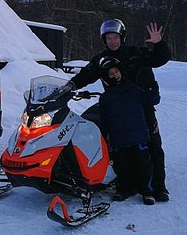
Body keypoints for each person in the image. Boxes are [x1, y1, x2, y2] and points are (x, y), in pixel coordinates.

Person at [69, 19, 171, 202]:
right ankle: (129, 185)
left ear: (121, 37)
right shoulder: (101, 60)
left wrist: (158, 44)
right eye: (108, 38)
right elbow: (86, 75)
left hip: (142, 108)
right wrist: (69, 86)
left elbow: (158, 59)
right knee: (122, 150)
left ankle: (158, 186)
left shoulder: (135, 54)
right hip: (118, 112)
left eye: (115, 37)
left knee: (152, 146)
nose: (112, 41)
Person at [98, 57, 160, 205]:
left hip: (138, 137)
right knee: (121, 167)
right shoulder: (106, 97)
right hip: (119, 139)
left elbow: (152, 100)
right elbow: (104, 119)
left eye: (116, 71)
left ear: (121, 72)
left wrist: (152, 86)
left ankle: (147, 192)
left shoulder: (134, 90)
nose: (114, 75)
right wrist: (104, 137)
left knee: (144, 166)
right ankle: (123, 190)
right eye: (111, 73)